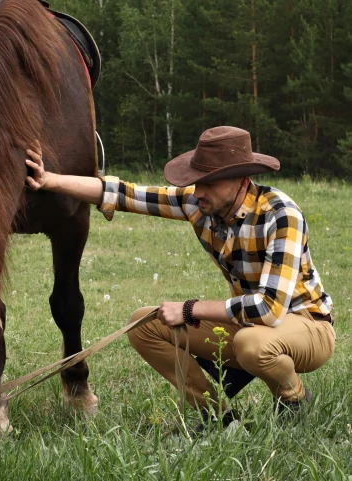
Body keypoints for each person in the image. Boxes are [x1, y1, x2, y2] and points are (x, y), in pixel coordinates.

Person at [25, 126, 335, 423]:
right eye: (196, 181)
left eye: (208, 182)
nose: (197, 191)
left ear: (240, 180)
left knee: (252, 344)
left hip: (307, 325)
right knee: (143, 324)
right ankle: (218, 416)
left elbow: (267, 310)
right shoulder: (199, 203)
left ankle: (293, 399)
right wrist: (49, 180)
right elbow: (122, 194)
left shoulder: (281, 215)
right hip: (245, 323)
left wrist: (189, 309)